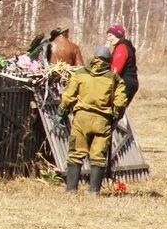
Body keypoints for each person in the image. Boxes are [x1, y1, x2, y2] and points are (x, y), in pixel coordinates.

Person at [58, 45, 127, 195]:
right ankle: (93, 192)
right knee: (98, 156)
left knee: (75, 153)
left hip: (81, 119)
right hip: (102, 120)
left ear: (94, 58)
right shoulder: (114, 78)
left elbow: (68, 96)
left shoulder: (80, 73)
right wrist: (115, 116)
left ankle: (71, 190)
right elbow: (120, 101)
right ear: (109, 61)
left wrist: (61, 112)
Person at [106, 23, 139, 110]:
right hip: (129, 82)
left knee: (116, 110)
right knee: (119, 110)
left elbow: (116, 70)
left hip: (125, 83)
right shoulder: (123, 46)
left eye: (110, 36)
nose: (108, 39)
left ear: (118, 34)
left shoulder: (122, 48)